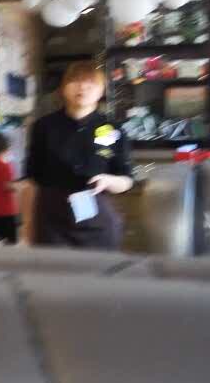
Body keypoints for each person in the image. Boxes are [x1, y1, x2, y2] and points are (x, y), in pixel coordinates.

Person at [20, 62, 133, 250]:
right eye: (76, 81)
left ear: (101, 91)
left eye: (90, 83)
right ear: (63, 88)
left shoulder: (113, 128)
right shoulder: (44, 126)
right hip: (51, 223)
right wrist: (27, 226)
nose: (82, 87)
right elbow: (30, 182)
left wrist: (108, 180)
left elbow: (126, 180)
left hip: (97, 222)